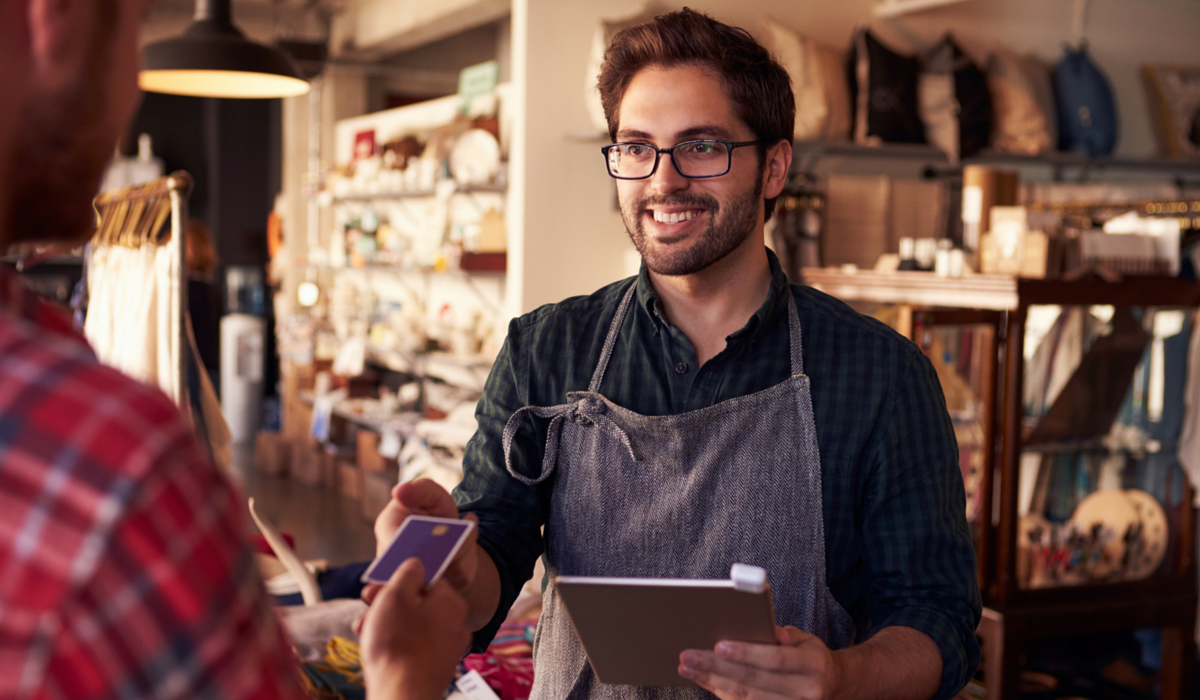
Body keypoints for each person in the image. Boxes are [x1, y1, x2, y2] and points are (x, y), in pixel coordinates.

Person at [372, 8, 981, 700]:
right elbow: (495, 565)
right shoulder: (546, 350)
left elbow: (938, 621)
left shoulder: (882, 377)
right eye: (636, 148)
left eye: (701, 146)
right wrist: (449, 559)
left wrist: (842, 676)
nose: (662, 180)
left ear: (774, 167)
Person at [0, 1, 467, 698]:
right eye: (130, 35)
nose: (131, 85)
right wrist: (408, 679)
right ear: (51, 22)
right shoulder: (111, 461)